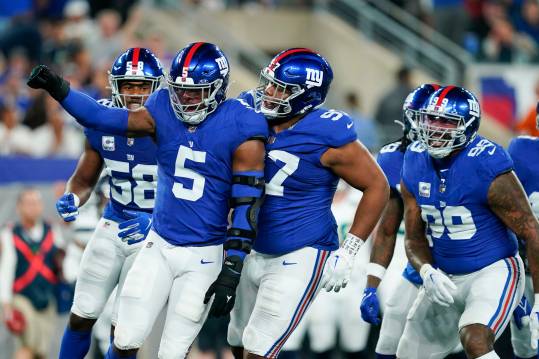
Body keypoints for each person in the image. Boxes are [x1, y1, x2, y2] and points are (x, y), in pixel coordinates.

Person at [27, 41, 267, 359]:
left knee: (170, 350)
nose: (186, 98)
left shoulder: (241, 125)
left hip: (199, 250)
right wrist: (59, 88)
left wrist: (232, 267)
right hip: (150, 238)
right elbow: (99, 119)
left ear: (217, 88)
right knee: (118, 333)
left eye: (196, 91)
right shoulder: (161, 109)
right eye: (180, 90)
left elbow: (245, 205)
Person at [228, 48, 389, 359]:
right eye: (270, 83)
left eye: (282, 88)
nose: (270, 92)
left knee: (258, 348)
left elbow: (377, 186)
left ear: (307, 96)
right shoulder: (251, 114)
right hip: (253, 246)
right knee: (237, 339)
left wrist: (350, 249)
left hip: (301, 252)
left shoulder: (326, 133)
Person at [396, 86, 539, 359]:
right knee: (407, 354)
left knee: (475, 339)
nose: (435, 129)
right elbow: (413, 237)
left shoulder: (485, 163)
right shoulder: (413, 159)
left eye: (447, 121)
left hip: (493, 270)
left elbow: (531, 231)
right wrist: (427, 271)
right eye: (430, 119)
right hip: (445, 275)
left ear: (468, 125)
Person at [55, 47, 164, 359]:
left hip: (154, 234)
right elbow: (85, 180)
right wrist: (72, 197)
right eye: (129, 85)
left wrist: (156, 220)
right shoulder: (101, 121)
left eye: (142, 86)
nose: (135, 93)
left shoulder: (171, 127)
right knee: (81, 315)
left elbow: (191, 196)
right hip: (113, 223)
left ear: (156, 87)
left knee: (124, 332)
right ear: (115, 85)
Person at [359, 83, 440, 359]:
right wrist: (372, 285)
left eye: (434, 119)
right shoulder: (394, 157)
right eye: (421, 118)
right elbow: (387, 228)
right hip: (420, 261)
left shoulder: (470, 159)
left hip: (468, 260)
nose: (427, 126)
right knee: (393, 318)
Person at [0, 188, 64, 359]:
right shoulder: (9, 234)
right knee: (27, 347)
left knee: (40, 351)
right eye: (28, 203)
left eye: (36, 203)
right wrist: (6, 305)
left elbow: (61, 265)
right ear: (19, 207)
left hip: (46, 298)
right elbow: (5, 270)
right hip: (22, 298)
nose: (33, 207)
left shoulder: (52, 231)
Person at [507, 134, 539, 359]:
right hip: (526, 271)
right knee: (525, 347)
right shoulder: (521, 150)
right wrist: (516, 293)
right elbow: (499, 216)